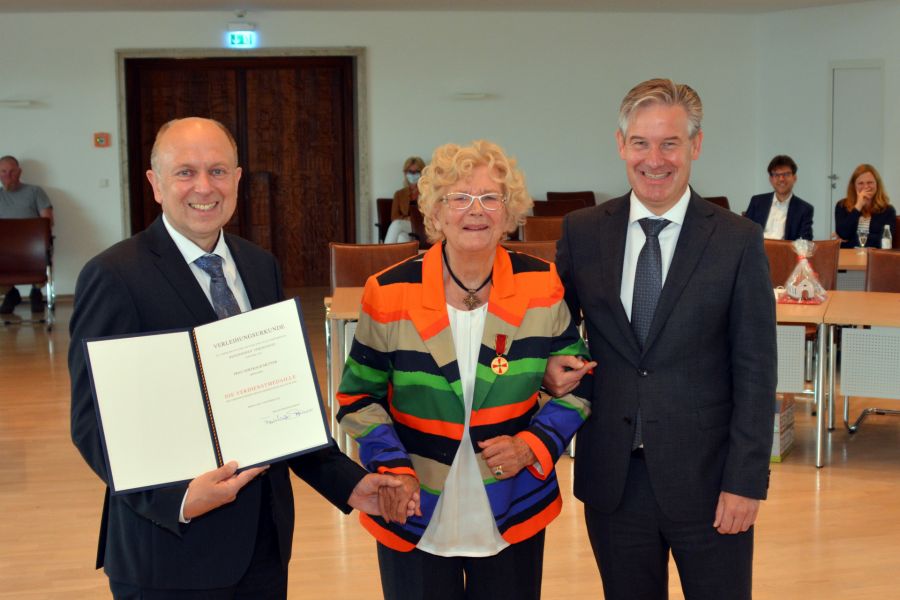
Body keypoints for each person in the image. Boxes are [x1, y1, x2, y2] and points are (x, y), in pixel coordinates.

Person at [69, 117, 407, 599]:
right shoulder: (113, 276)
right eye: (185, 172)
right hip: (169, 550)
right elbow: (93, 422)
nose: (204, 187)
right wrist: (180, 500)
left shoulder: (257, 265)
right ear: (155, 183)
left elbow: (282, 404)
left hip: (263, 544)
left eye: (218, 171)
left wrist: (350, 483)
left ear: (238, 179)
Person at [545, 79, 776, 600]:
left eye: (670, 143)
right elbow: (553, 326)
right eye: (642, 143)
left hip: (711, 484)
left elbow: (757, 372)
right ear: (621, 144)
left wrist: (745, 481)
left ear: (695, 146)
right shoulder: (583, 231)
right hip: (613, 482)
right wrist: (551, 365)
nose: (655, 159)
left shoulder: (737, 240)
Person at [337, 140, 593, 600]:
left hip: (513, 504)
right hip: (413, 506)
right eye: (459, 198)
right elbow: (358, 398)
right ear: (435, 212)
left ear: (509, 211)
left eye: (490, 197)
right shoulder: (389, 291)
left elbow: (579, 382)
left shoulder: (541, 283)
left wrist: (533, 445)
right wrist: (392, 467)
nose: (476, 210)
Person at [0, 155, 53, 314]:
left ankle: (36, 292)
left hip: (31, 248)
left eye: (12, 171)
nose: (8, 176)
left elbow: (47, 221)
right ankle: (10, 293)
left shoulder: (35, 191)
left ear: (19, 172)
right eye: (3, 171)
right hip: (5, 250)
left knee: (42, 251)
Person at [745, 155, 814, 241]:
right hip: (758, 252)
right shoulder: (757, 202)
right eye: (776, 175)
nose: (781, 179)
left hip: (785, 252)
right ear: (770, 179)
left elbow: (805, 241)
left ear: (794, 178)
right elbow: (745, 232)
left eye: (786, 174)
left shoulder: (804, 209)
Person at [834, 163, 895, 248]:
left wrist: (852, 239)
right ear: (854, 186)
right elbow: (844, 234)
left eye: (870, 182)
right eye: (860, 183)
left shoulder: (888, 210)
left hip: (875, 257)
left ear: (877, 184)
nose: (866, 187)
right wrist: (858, 206)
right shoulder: (842, 205)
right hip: (848, 255)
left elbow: (884, 241)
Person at [384, 156, 425, 244]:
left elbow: (429, 214)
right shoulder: (399, 194)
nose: (413, 174)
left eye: (416, 171)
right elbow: (394, 216)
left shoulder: (427, 192)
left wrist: (412, 219)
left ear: (422, 172)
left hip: (422, 227)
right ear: (405, 173)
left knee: (397, 224)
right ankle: (398, 258)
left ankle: (381, 254)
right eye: (410, 171)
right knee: (402, 237)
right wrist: (407, 218)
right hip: (405, 227)